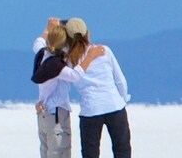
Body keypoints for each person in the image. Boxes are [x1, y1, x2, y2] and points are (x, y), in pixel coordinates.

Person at [64, 18, 130, 158]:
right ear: (87, 33)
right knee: (122, 150)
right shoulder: (104, 50)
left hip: (91, 109)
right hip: (114, 105)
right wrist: (122, 99)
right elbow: (120, 80)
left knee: (90, 153)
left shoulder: (69, 60)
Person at [31, 17, 82, 158]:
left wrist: (47, 29)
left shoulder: (42, 55)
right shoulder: (59, 66)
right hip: (56, 115)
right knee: (60, 153)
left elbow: (37, 43)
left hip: (43, 116)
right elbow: (72, 79)